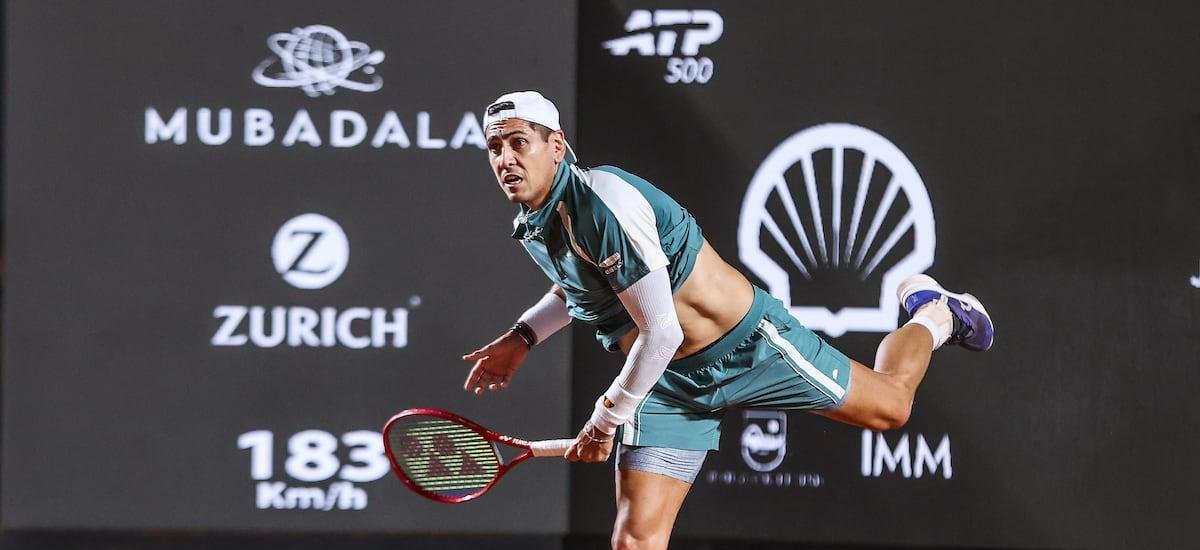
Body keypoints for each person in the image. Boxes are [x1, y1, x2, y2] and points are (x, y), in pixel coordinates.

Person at [462, 91, 993, 550]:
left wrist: (605, 422)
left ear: (556, 146)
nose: (506, 159)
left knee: (892, 408)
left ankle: (935, 313)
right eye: (494, 148)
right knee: (635, 539)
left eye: (518, 143)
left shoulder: (604, 205)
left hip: (747, 347)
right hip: (665, 383)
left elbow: (662, 330)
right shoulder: (536, 220)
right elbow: (583, 287)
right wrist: (523, 336)